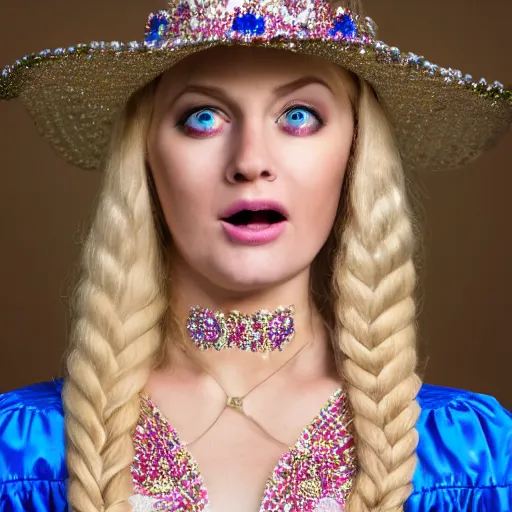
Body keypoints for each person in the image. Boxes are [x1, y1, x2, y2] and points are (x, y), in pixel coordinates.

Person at [0, 0, 510, 510]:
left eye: (298, 116)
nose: (250, 162)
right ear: (146, 157)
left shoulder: (472, 458)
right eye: (203, 117)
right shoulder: (22, 454)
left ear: (355, 154)